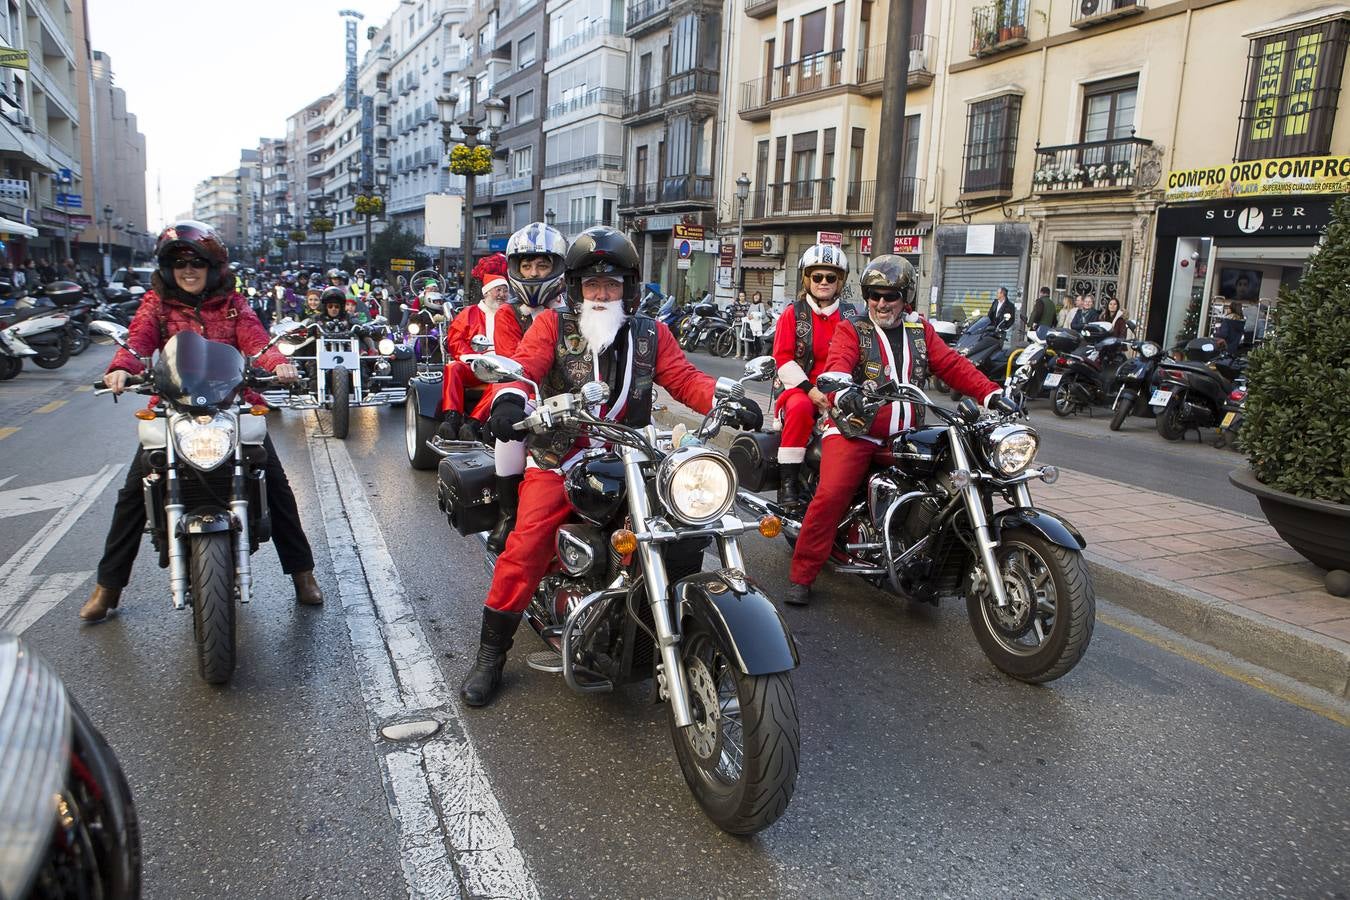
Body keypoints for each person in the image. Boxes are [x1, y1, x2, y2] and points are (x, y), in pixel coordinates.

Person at [458, 226, 762, 707]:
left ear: (629, 288)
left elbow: (685, 379)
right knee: (527, 544)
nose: (602, 294)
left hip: (633, 458)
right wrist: (510, 401)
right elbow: (526, 366)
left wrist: (728, 399)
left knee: (688, 522)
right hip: (562, 457)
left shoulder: (651, 334)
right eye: (592, 285)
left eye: (613, 285)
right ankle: (490, 654)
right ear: (576, 289)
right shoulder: (551, 327)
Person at [79, 221, 321, 622]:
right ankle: (108, 587)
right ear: (167, 268)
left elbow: (257, 341)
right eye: (178, 263)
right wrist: (121, 367)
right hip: (174, 410)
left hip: (230, 407)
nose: (187, 270)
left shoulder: (233, 304)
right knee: (132, 494)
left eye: (196, 262)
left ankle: (302, 574)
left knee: (276, 485)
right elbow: (137, 343)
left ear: (213, 266)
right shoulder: (157, 305)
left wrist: (279, 364)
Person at [783, 255, 1017, 607]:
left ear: (905, 296)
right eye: (873, 295)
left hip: (905, 434)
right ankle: (803, 574)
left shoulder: (920, 331)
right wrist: (844, 391)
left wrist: (992, 393)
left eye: (889, 296)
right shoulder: (853, 329)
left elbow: (952, 365)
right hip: (855, 430)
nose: (880, 303)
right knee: (832, 495)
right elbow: (837, 365)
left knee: (948, 479)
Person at [477, 222, 571, 552]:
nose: (533, 272)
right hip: (528, 394)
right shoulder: (509, 315)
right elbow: (510, 364)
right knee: (510, 434)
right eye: (527, 265)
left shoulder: (575, 310)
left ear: (558, 267)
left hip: (575, 396)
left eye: (542, 264)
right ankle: (508, 513)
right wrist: (513, 402)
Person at [771, 243, 848, 511]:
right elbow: (782, 358)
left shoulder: (852, 315)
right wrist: (811, 390)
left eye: (831, 277)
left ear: (840, 282)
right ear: (807, 279)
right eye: (817, 277)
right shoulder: (794, 313)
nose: (824, 282)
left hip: (841, 391)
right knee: (800, 408)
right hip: (801, 389)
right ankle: (788, 483)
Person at [437, 268, 509, 440]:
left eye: (505, 290)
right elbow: (455, 340)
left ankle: (473, 424)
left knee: (502, 383)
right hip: (475, 365)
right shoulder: (469, 313)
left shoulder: (512, 314)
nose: (502, 294)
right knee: (453, 368)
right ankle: (452, 419)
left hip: (503, 368)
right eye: (498, 290)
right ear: (487, 292)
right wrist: (470, 357)